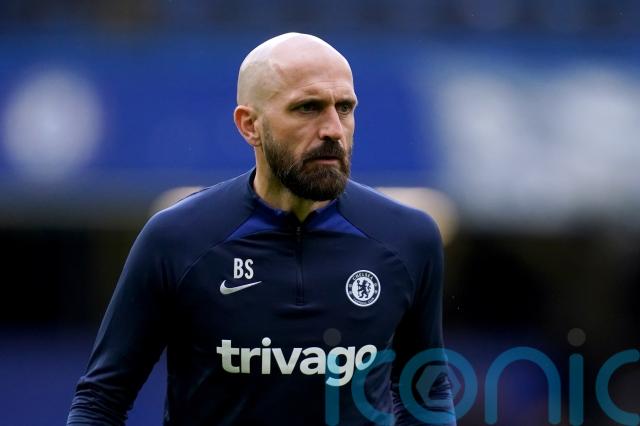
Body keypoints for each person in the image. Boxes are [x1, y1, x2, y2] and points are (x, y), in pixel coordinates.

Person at [67, 33, 455, 425]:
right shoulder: (177, 239)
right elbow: (101, 401)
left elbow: (427, 395)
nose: (333, 129)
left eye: (345, 107)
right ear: (249, 125)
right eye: (308, 108)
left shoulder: (408, 238)